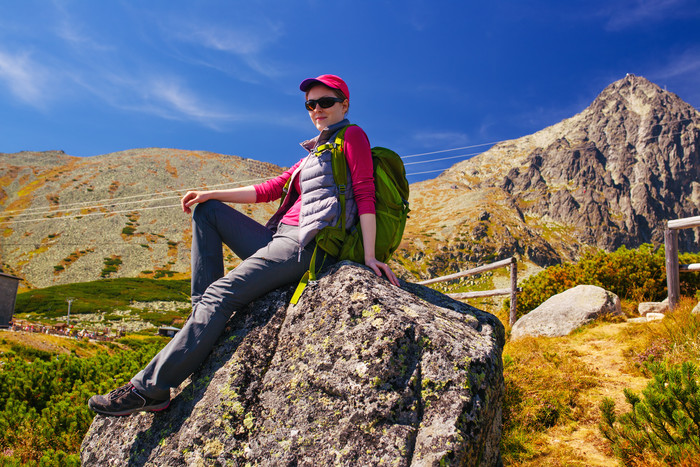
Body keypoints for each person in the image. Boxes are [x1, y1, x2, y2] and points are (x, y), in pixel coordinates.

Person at [88, 74, 400, 416]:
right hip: (276, 237)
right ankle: (202, 317)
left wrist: (370, 256)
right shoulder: (313, 152)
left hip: (305, 243)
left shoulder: (352, 136)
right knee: (206, 213)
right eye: (310, 104)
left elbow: (365, 193)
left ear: (344, 104)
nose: (317, 109)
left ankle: (152, 389)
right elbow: (269, 189)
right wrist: (209, 193)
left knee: (221, 294)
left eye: (325, 102)